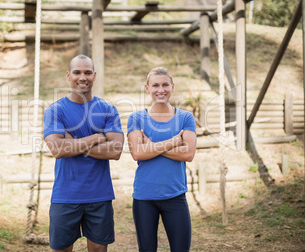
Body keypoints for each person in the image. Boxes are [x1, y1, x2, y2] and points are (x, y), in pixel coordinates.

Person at [43, 55, 124, 252]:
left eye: (87, 72)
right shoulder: (56, 110)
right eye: (77, 72)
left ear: (94, 75)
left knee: (98, 249)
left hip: (99, 194)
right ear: (68, 75)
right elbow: (58, 149)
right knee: (61, 249)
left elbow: (115, 150)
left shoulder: (107, 109)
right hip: (65, 195)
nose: (82, 77)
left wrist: (72, 142)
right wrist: (96, 138)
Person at [127, 67, 197, 252]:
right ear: (147, 88)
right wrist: (174, 142)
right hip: (144, 197)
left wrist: (152, 146)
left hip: (175, 195)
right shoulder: (136, 118)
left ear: (172, 87)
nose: (161, 89)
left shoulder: (185, 117)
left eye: (165, 84)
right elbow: (137, 154)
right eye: (155, 85)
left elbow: (188, 154)